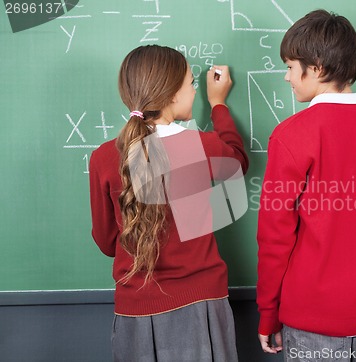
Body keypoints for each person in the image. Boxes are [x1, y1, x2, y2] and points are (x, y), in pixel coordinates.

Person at [256, 9, 356, 361]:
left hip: (311, 318)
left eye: (289, 66)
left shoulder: (292, 136)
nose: (287, 78)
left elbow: (275, 235)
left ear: (315, 67)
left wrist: (268, 311)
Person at [89, 45, 248, 362]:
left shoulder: (104, 157)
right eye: (191, 83)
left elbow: (108, 242)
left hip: (137, 308)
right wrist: (217, 104)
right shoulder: (200, 145)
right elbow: (238, 160)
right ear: (173, 94)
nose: (194, 90)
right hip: (202, 304)